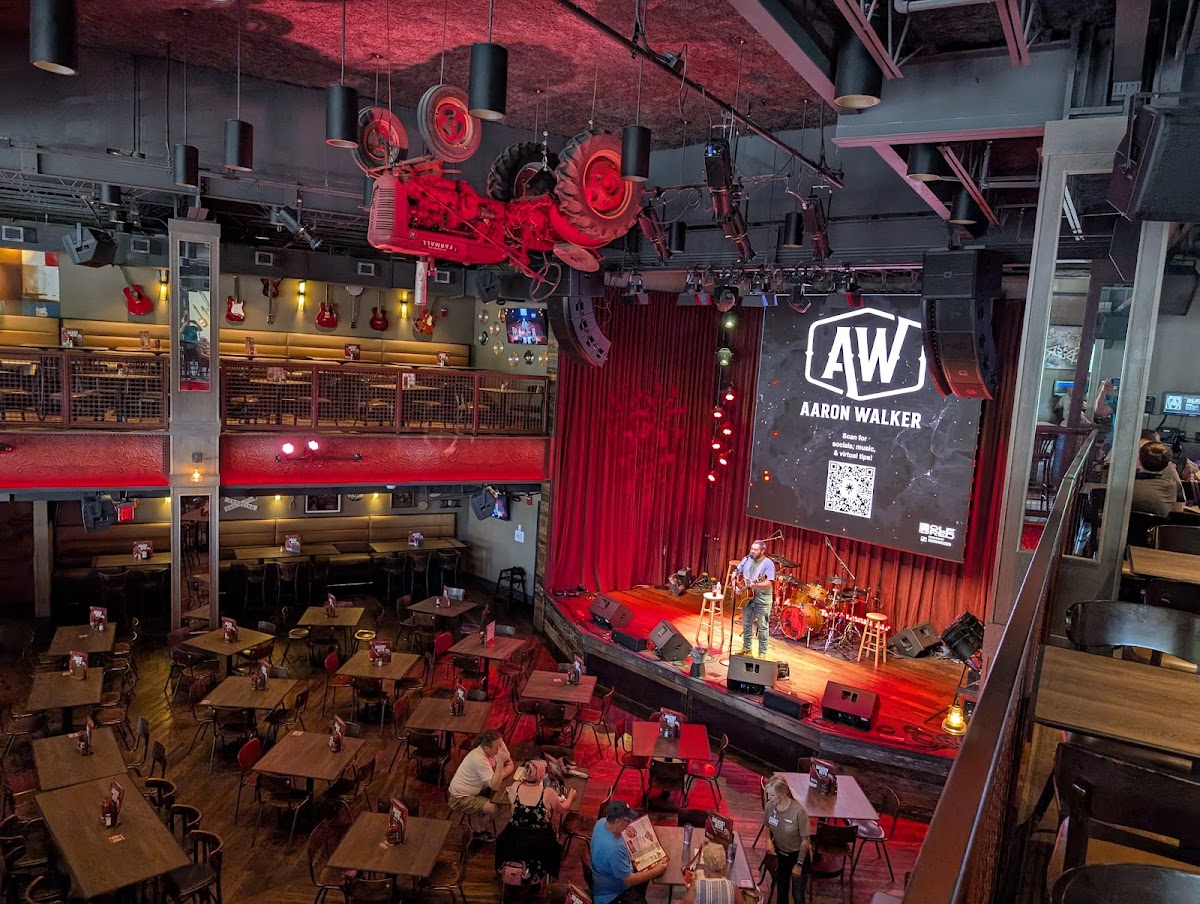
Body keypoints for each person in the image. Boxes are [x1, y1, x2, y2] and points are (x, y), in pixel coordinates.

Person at [495, 760, 575, 881]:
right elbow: (563, 809)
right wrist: (571, 797)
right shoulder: (547, 793)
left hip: (515, 837)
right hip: (540, 840)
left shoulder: (515, 787)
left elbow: (514, 805)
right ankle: (539, 870)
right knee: (553, 840)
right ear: (542, 776)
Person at [590, 800, 669, 904]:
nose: (631, 822)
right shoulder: (614, 849)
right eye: (627, 820)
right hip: (613, 894)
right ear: (617, 821)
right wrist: (657, 871)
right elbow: (629, 880)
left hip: (605, 877)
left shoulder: (601, 822)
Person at [447, 729, 514, 840]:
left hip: (478, 789)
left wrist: (499, 772)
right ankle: (478, 831)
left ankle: (478, 826)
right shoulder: (479, 759)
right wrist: (501, 764)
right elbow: (495, 785)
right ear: (487, 748)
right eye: (499, 747)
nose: (501, 749)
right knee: (495, 807)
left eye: (502, 744)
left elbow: (510, 764)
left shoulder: (494, 750)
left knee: (502, 798)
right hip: (460, 797)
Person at [762, 776, 811, 904]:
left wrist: (799, 864)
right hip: (781, 855)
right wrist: (768, 840)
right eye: (768, 794)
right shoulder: (769, 807)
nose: (769, 798)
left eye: (772, 795)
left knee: (798, 895)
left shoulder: (798, 813)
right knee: (782, 892)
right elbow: (767, 825)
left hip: (797, 856)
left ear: (782, 794)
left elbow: (805, 841)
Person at [738, 540, 776, 658]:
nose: (752, 551)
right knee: (746, 624)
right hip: (747, 598)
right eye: (751, 549)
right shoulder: (746, 560)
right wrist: (736, 586)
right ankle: (747, 648)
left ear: (762, 551)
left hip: (762, 599)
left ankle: (762, 653)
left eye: (755, 550)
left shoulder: (768, 563)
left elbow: (769, 582)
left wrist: (756, 585)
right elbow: (736, 572)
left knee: (762, 626)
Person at [1131, 441, 1186, 517]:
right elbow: (1178, 515)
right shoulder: (1174, 486)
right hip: (1159, 528)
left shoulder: (1126, 483)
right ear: (1167, 464)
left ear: (1139, 460)